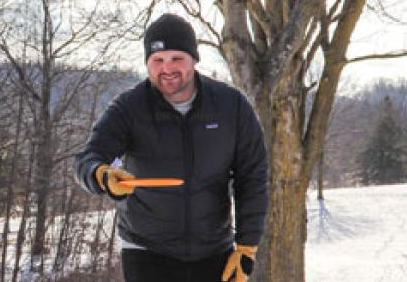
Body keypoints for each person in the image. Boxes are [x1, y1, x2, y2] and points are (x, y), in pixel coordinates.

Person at [74, 14, 269, 282]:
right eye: (157, 60)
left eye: (176, 58)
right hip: (147, 252)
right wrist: (102, 175)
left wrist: (247, 246)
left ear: (194, 59)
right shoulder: (129, 108)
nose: (167, 68)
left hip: (214, 250)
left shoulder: (231, 106)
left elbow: (252, 178)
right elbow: (88, 158)